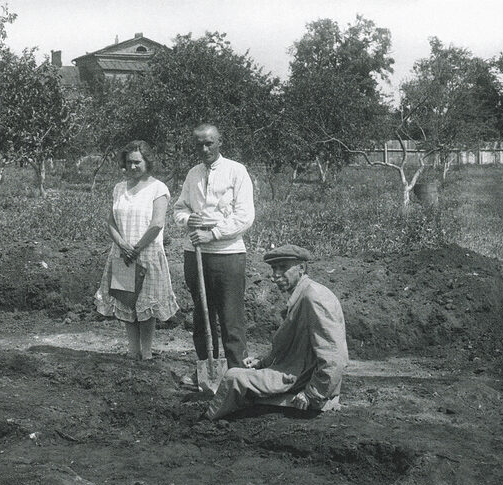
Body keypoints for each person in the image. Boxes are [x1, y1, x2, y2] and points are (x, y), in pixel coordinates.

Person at [202, 244, 348, 421]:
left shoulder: (314, 298)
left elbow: (335, 356)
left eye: (283, 267)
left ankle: (206, 422)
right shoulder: (303, 294)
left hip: (302, 379)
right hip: (297, 371)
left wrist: (311, 394)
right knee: (241, 375)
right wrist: (262, 362)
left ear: (301, 268)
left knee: (234, 377)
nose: (275, 275)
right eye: (273, 268)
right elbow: (291, 345)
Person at [172, 123, 255, 383]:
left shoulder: (236, 171)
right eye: (199, 144)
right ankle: (206, 370)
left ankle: (237, 374)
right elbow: (179, 210)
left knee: (231, 316)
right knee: (202, 314)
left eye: (209, 143)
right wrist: (188, 221)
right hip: (195, 253)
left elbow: (245, 217)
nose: (204, 148)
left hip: (228, 253)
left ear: (220, 142)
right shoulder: (193, 174)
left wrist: (214, 233)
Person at [94, 140, 179, 359]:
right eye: (129, 162)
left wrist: (137, 248)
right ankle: (133, 350)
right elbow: (111, 221)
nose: (133, 167)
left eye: (137, 162)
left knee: (146, 307)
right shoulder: (119, 188)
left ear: (147, 162)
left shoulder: (158, 188)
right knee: (125, 301)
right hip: (122, 253)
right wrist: (122, 245)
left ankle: (147, 351)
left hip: (147, 253)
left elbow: (157, 223)